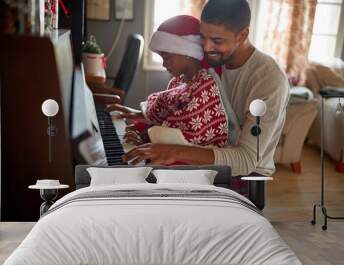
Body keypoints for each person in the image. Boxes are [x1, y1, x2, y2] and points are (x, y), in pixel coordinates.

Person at [112, 0, 290, 177]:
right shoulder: (211, 61)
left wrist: (172, 151)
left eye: (217, 40)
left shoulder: (269, 80)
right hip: (204, 159)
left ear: (243, 35)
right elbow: (192, 117)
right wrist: (146, 117)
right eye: (203, 37)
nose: (206, 47)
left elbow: (246, 160)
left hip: (244, 176)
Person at [109, 15, 231, 149]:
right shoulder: (178, 81)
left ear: (187, 52)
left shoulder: (206, 85)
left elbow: (189, 133)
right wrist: (137, 116)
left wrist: (145, 137)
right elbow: (167, 118)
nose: (163, 64)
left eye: (167, 57)